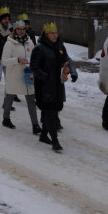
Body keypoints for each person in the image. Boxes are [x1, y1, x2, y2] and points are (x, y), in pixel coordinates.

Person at [29, 22, 77, 151]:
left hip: (57, 85)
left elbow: (66, 60)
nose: (55, 35)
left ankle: (44, 135)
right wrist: (46, 76)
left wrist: (71, 71)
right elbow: (33, 67)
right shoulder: (39, 48)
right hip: (44, 86)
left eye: (56, 33)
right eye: (52, 33)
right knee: (50, 111)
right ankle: (55, 140)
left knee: (52, 110)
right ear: (46, 34)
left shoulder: (60, 46)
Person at [1, 20, 39, 133]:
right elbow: (4, 61)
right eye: (19, 29)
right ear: (15, 30)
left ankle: (35, 125)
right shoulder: (9, 44)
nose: (22, 31)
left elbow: (35, 56)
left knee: (31, 98)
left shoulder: (30, 42)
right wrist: (17, 60)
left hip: (28, 74)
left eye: (23, 29)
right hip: (14, 75)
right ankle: (6, 118)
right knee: (10, 96)